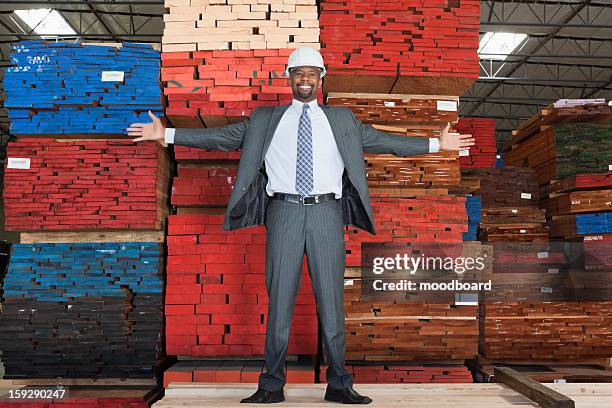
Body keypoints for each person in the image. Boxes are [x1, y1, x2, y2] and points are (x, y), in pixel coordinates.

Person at [128, 47, 475, 404]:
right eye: (298, 73)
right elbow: (220, 137)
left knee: (331, 301)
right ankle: (270, 385)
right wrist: (166, 135)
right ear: (288, 78)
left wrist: (435, 143)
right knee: (280, 299)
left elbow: (386, 142)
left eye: (311, 73)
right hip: (285, 212)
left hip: (327, 213)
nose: (305, 79)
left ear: (321, 78)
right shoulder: (266, 118)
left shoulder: (342, 120)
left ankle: (339, 384)